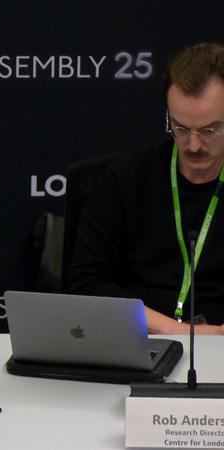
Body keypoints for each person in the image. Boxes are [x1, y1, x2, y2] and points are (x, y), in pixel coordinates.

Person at [68, 42, 224, 334]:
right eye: (179, 127)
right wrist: (177, 330)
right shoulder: (127, 178)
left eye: (209, 130)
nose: (193, 145)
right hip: (133, 338)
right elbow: (86, 284)